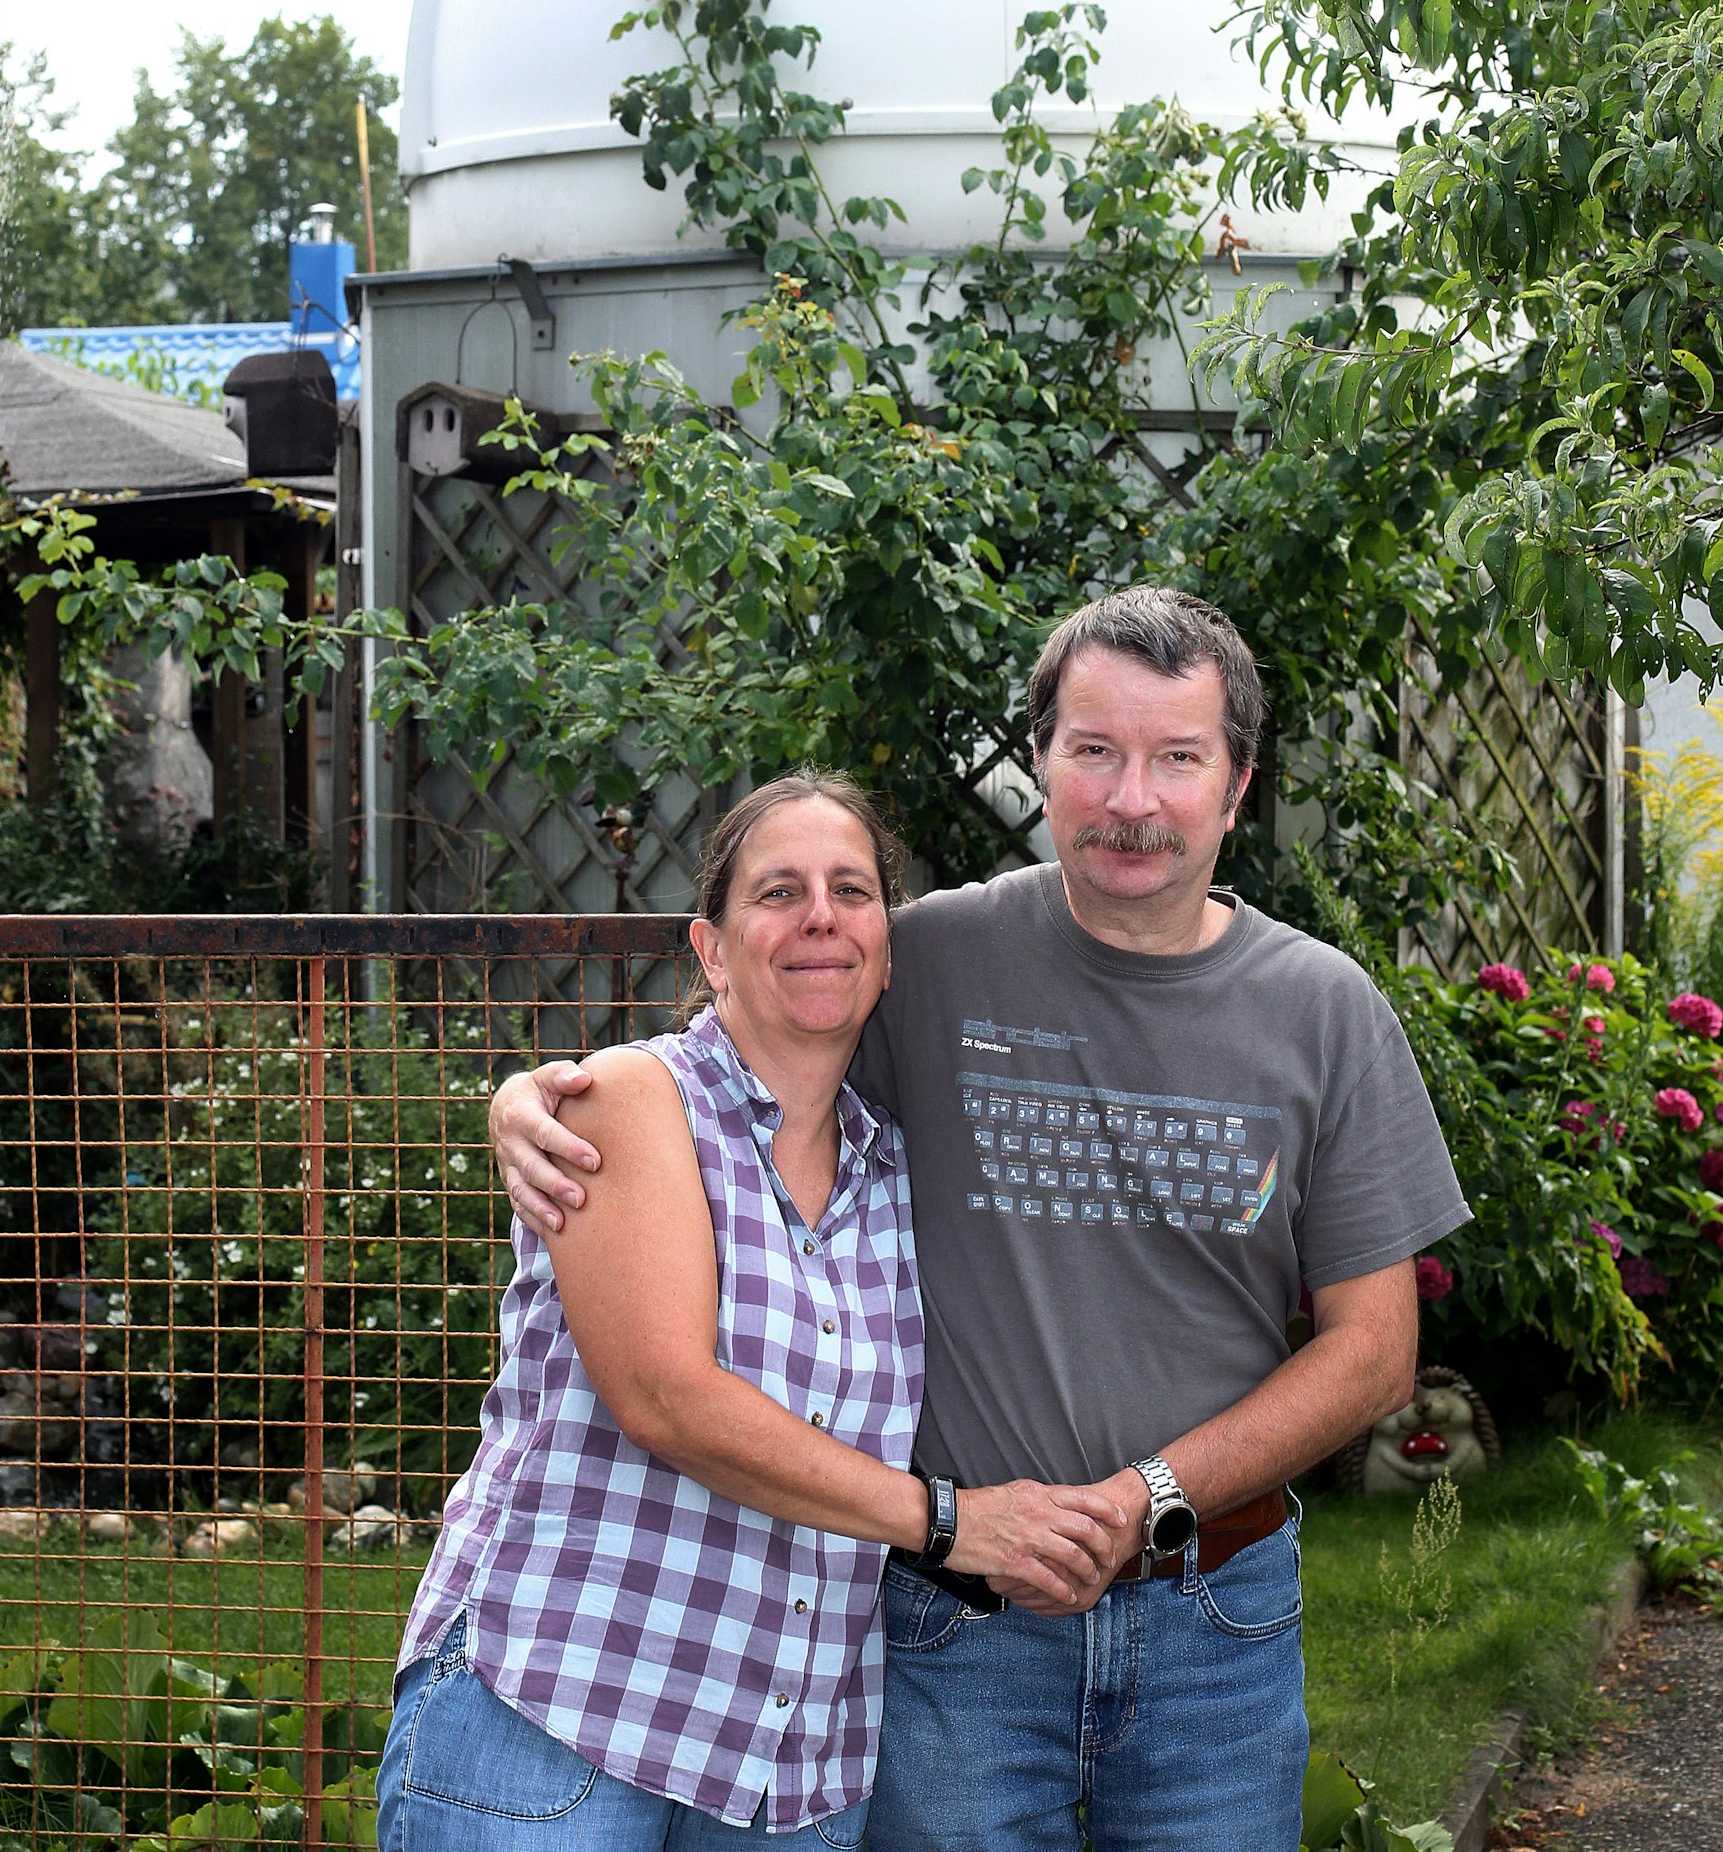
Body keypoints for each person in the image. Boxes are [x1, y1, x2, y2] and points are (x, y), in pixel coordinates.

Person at [494, 590, 1473, 1852]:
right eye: (1093, 751)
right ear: (1041, 766)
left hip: (1212, 1617)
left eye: (1177, 758)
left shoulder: (1325, 1011)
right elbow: (731, 1044)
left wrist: (1147, 1494)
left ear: (1235, 787)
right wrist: (535, 1094)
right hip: (955, 1626)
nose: (1132, 799)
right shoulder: (924, 957)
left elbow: (1373, 1349)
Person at [379, 771, 1129, 1852]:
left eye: (850, 889)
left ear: (885, 944)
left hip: (788, 1771)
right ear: (711, 947)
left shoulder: (897, 1172)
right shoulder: (636, 1102)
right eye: (777, 891)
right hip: (564, 1713)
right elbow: (665, 1396)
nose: (819, 914)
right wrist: (955, 1521)